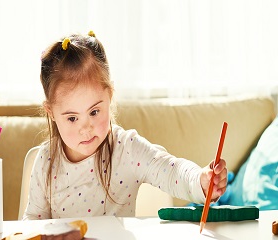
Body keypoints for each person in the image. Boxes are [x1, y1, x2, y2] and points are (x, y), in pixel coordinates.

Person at [23, 31, 227, 220]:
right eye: (72, 118)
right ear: (51, 113)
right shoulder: (45, 161)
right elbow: (32, 224)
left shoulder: (127, 149)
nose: (86, 129)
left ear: (109, 96)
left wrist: (201, 180)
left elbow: (171, 171)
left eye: (94, 112)